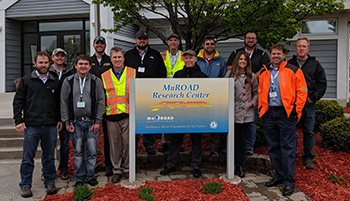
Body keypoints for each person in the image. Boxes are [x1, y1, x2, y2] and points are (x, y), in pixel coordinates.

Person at [259, 43, 307, 196]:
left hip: (286, 114)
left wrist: (296, 111)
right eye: (273, 53)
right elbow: (260, 91)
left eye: (279, 54)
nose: (276, 56)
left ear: (284, 55)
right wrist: (261, 109)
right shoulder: (264, 72)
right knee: (273, 147)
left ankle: (289, 181)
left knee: (287, 148)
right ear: (270, 55)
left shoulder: (293, 70)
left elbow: (302, 91)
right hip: (269, 114)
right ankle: (278, 175)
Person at [13, 51, 63, 197]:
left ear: (50, 63)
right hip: (31, 125)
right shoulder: (27, 80)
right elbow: (18, 102)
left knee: (49, 156)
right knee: (28, 157)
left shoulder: (54, 81)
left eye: (46, 62)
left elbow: (59, 103)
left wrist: (59, 119)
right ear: (35, 64)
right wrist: (18, 120)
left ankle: (49, 181)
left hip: (50, 125)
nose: (43, 65)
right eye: (40, 62)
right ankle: (25, 184)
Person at [160, 50, 207, 178]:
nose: (188, 60)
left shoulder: (202, 76)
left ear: (195, 59)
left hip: (195, 114)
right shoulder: (178, 75)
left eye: (190, 58)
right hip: (179, 113)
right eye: (186, 58)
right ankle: (171, 164)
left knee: (196, 140)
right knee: (175, 140)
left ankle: (196, 166)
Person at [61, 55, 105, 187]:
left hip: (92, 122)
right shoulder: (68, 81)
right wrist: (66, 122)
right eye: (80, 63)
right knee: (78, 152)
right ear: (75, 66)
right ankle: (79, 177)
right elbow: (63, 102)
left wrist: (98, 121)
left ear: (90, 66)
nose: (83, 66)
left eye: (86, 64)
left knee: (92, 151)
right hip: (75, 123)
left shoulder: (95, 81)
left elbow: (101, 101)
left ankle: (90, 176)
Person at [227, 31, 270, 155]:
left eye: (253, 38)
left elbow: (265, 70)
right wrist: (247, 76)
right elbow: (229, 68)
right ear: (244, 39)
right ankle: (232, 147)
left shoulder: (262, 54)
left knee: (251, 124)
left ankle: (249, 147)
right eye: (248, 38)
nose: (250, 40)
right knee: (233, 125)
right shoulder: (236, 52)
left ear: (256, 40)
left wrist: (251, 76)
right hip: (235, 98)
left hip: (250, 96)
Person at [124, 30, 167, 155]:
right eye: (139, 38)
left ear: (147, 40)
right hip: (134, 94)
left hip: (150, 94)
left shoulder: (155, 54)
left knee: (150, 119)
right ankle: (135, 144)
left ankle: (149, 144)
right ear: (136, 40)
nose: (142, 41)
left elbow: (162, 73)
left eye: (144, 39)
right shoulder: (128, 55)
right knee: (135, 120)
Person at [288, 37, 327, 170]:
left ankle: (308, 157)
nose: (302, 48)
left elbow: (322, 83)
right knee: (290, 130)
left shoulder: (315, 64)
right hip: (292, 104)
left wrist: (313, 97)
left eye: (304, 46)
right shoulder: (289, 64)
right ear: (296, 48)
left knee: (308, 131)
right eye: (299, 46)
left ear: (308, 48)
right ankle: (290, 155)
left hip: (308, 103)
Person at [101, 46, 136, 183]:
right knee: (114, 145)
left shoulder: (132, 73)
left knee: (128, 144)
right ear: (111, 59)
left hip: (127, 114)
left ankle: (127, 169)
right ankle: (117, 170)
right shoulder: (104, 75)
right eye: (114, 57)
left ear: (123, 58)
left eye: (119, 57)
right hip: (111, 116)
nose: (117, 60)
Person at [224, 51, 258, 178]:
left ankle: (240, 165)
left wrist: (252, 103)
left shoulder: (252, 76)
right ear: (237, 61)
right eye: (241, 59)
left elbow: (256, 92)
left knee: (242, 141)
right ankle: (231, 164)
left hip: (245, 113)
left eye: (245, 59)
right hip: (232, 112)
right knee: (232, 140)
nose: (243, 61)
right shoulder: (229, 75)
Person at [196, 35, 226, 155]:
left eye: (212, 44)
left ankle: (214, 147)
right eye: (207, 44)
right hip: (199, 96)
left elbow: (224, 78)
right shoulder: (197, 60)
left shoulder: (221, 61)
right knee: (198, 122)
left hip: (215, 96)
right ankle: (197, 147)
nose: (210, 46)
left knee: (215, 122)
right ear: (203, 45)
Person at [89, 36, 113, 176]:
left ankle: (109, 164)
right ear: (93, 45)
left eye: (102, 43)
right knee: (92, 137)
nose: (99, 45)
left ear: (105, 45)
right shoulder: (88, 61)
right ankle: (92, 166)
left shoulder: (110, 60)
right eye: (97, 43)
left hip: (109, 102)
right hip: (92, 103)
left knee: (109, 137)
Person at [49, 48, 74, 180]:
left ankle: (63, 169)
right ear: (52, 58)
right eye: (57, 56)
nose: (59, 58)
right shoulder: (47, 72)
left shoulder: (70, 74)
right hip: (50, 114)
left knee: (64, 144)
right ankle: (47, 170)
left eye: (62, 56)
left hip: (65, 114)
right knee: (49, 145)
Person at [159, 33, 185, 152]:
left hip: (180, 90)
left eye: (175, 40)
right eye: (171, 40)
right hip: (165, 89)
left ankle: (178, 143)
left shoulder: (184, 56)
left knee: (179, 117)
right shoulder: (162, 55)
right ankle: (165, 142)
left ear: (179, 42)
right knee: (166, 116)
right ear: (168, 42)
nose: (173, 42)